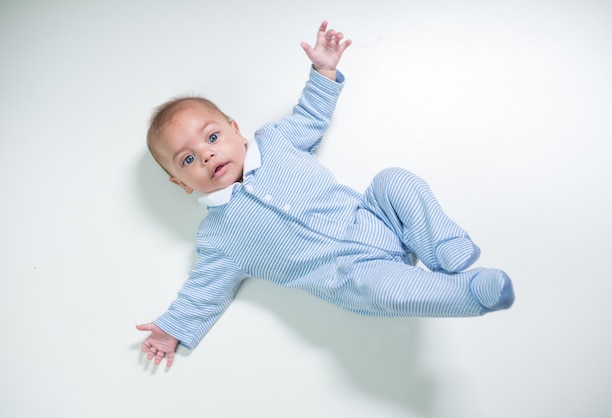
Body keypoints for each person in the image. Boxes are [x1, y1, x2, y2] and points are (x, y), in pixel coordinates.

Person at [137, 21, 514, 368]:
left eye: (213, 137)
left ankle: (445, 248)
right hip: (353, 276)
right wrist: (172, 329)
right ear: (182, 183)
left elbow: (310, 116)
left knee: (394, 180)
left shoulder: (276, 142)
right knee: (386, 290)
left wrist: (324, 70)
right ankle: (469, 293)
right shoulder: (217, 239)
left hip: (375, 217)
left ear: (236, 130)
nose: (206, 154)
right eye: (188, 159)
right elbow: (202, 291)